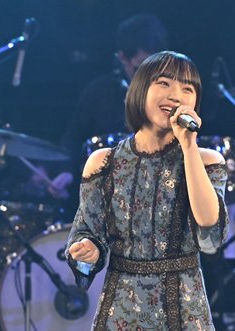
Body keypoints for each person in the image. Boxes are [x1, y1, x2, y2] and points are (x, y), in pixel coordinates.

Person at [65, 51, 235, 331]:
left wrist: (189, 146)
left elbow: (209, 227)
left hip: (184, 312)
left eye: (187, 88)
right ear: (140, 90)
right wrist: (87, 250)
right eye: (164, 83)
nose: (176, 94)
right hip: (122, 314)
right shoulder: (103, 163)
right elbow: (88, 232)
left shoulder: (206, 160)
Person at [54, 14, 169, 216]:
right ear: (122, 58)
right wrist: (65, 171)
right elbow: (73, 136)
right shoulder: (99, 92)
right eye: (140, 68)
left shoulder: (175, 94)